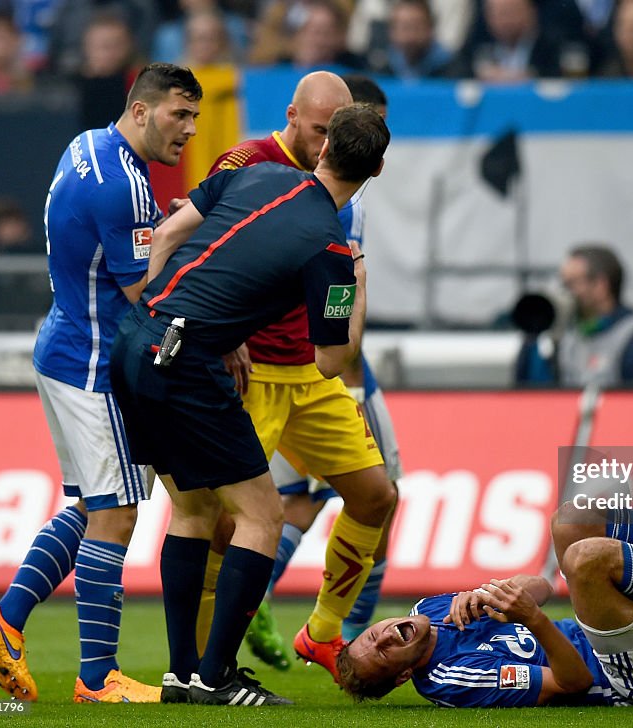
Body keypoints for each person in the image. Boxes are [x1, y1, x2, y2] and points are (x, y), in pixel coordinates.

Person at [109, 102, 390, 706]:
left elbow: (171, 231)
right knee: (261, 514)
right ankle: (217, 678)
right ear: (378, 169)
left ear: (323, 148)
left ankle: (183, 675)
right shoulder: (333, 253)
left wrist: (160, 307)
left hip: (136, 343)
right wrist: (359, 281)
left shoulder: (255, 173)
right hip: (189, 366)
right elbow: (333, 362)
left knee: (192, 513)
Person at [0, 62, 202, 703]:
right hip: (96, 362)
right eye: (179, 115)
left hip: (65, 345)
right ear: (143, 110)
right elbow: (141, 289)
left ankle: (5, 620)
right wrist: (191, 231)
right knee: (119, 513)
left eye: (195, 117)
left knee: (93, 507)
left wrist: (165, 221)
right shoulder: (125, 184)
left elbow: (118, 238)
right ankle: (98, 680)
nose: (188, 130)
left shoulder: (89, 146)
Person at [240, 75, 404, 668]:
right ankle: (215, 655)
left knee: (346, 498)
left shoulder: (262, 179)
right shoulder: (330, 230)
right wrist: (356, 283)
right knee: (238, 515)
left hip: (286, 370)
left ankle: (315, 629)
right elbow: (337, 347)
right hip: (288, 371)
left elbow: (184, 231)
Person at [336, 505, 633, 706]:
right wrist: (531, 619)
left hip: (611, 623)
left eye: (371, 634)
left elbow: (539, 584)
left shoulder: (431, 608)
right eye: (380, 651)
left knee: (571, 518)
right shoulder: (451, 678)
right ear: (401, 675)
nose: (381, 636)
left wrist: (495, 591)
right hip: (629, 675)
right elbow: (572, 682)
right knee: (584, 559)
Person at [515, 245, 633, 389]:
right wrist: (539, 338)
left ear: (601, 285)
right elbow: (527, 395)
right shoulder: (561, 331)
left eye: (571, 284)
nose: (564, 292)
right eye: (562, 283)